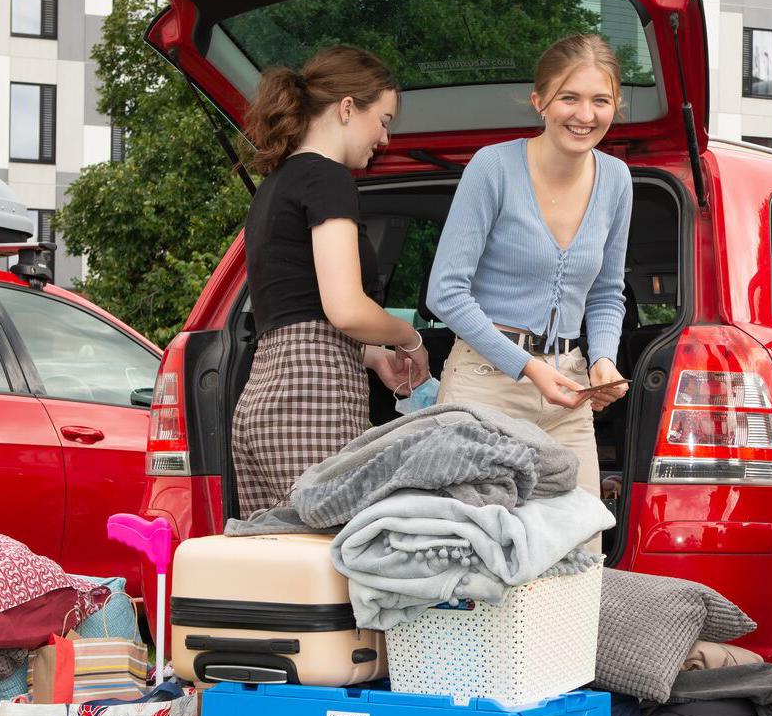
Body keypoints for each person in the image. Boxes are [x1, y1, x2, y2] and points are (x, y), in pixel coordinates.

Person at [426, 33, 632, 535]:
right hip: (485, 387)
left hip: (569, 389)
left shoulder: (618, 179)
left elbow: (606, 292)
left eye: (600, 100)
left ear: (615, 106)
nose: (585, 114)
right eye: (570, 97)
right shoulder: (493, 167)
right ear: (539, 101)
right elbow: (445, 291)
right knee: (473, 550)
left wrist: (603, 359)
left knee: (581, 548)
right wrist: (527, 368)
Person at [232, 45, 429, 518]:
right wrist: (409, 339)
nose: (384, 139)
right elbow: (344, 308)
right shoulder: (327, 178)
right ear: (346, 109)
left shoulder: (275, 186)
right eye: (382, 120)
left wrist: (372, 356)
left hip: (263, 396)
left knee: (282, 567)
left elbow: (296, 313)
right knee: (329, 556)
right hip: (311, 396)